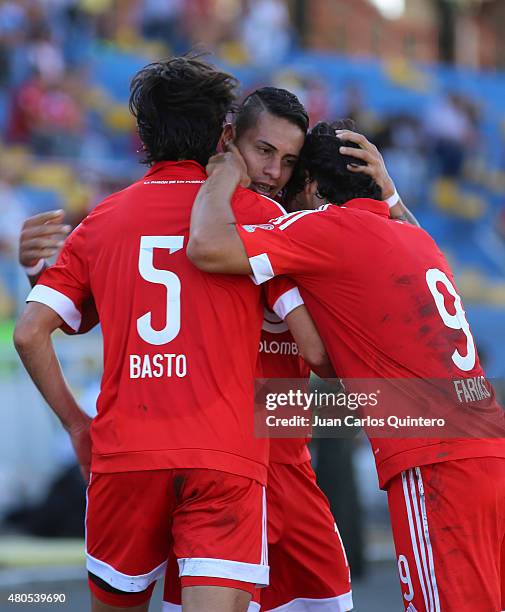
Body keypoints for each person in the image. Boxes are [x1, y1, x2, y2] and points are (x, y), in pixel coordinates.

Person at [14, 57, 330, 612]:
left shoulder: (102, 220)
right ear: (224, 136)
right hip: (225, 455)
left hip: (125, 455)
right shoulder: (259, 218)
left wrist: (77, 425)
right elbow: (318, 347)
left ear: (143, 136)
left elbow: (30, 334)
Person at [186, 120, 505, 612]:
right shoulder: (418, 239)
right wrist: (392, 191)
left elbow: (206, 245)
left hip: (434, 459)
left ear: (311, 183)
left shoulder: (319, 226)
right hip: (489, 449)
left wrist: (224, 174)